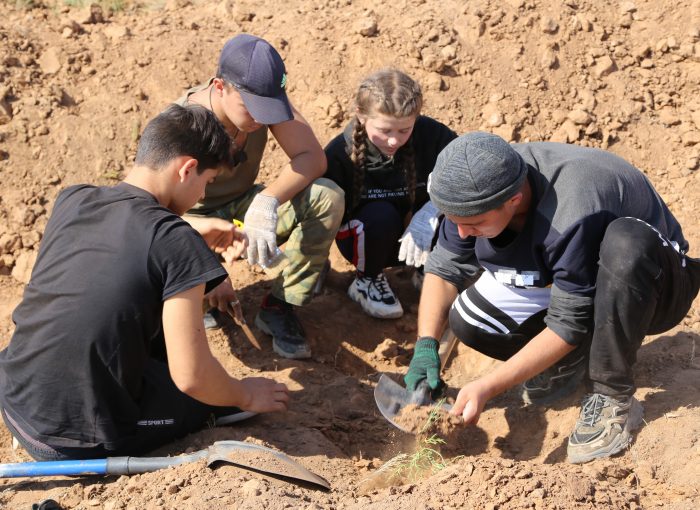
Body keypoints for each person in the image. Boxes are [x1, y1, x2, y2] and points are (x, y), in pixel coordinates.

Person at [0, 105, 290, 461]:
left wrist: (195, 233)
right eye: (207, 181)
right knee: (207, 399)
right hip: (74, 438)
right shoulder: (175, 240)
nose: (201, 195)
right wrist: (243, 393)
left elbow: (126, 235)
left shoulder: (74, 199)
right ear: (186, 168)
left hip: (14, 396)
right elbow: (192, 377)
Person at [403, 132, 700, 464]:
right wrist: (426, 347)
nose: (462, 233)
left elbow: (567, 323)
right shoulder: (473, 187)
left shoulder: (571, 208)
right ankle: (572, 364)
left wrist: (487, 386)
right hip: (573, 273)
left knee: (625, 244)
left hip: (654, 283)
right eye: (456, 222)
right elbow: (443, 270)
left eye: (473, 224)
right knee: (470, 320)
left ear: (513, 199)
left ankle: (613, 397)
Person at [176, 34, 344, 359]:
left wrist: (266, 202)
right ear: (220, 87)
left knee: (327, 196)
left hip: (241, 204)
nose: (260, 117)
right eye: (250, 107)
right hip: (188, 222)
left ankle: (278, 306)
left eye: (267, 107)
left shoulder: (265, 101)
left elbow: (312, 156)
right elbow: (152, 217)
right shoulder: (182, 126)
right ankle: (197, 300)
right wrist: (212, 274)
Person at [324, 69, 456, 319]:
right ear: (361, 116)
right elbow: (321, 211)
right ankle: (367, 280)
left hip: (419, 237)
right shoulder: (340, 153)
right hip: (367, 237)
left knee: (455, 208)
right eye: (385, 131)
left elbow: (465, 170)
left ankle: (431, 269)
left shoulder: (432, 135)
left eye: (404, 130)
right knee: (381, 214)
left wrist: (433, 210)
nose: (394, 141)